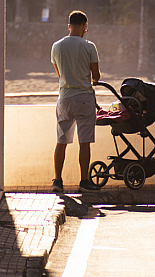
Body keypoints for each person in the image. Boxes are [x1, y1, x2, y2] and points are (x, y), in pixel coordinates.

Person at [51, 10, 100, 193]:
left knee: (61, 141)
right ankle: (84, 180)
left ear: (69, 25)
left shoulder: (56, 46)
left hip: (64, 98)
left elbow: (60, 74)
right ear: (84, 26)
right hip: (84, 98)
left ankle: (57, 181)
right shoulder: (89, 47)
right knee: (84, 142)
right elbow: (96, 76)